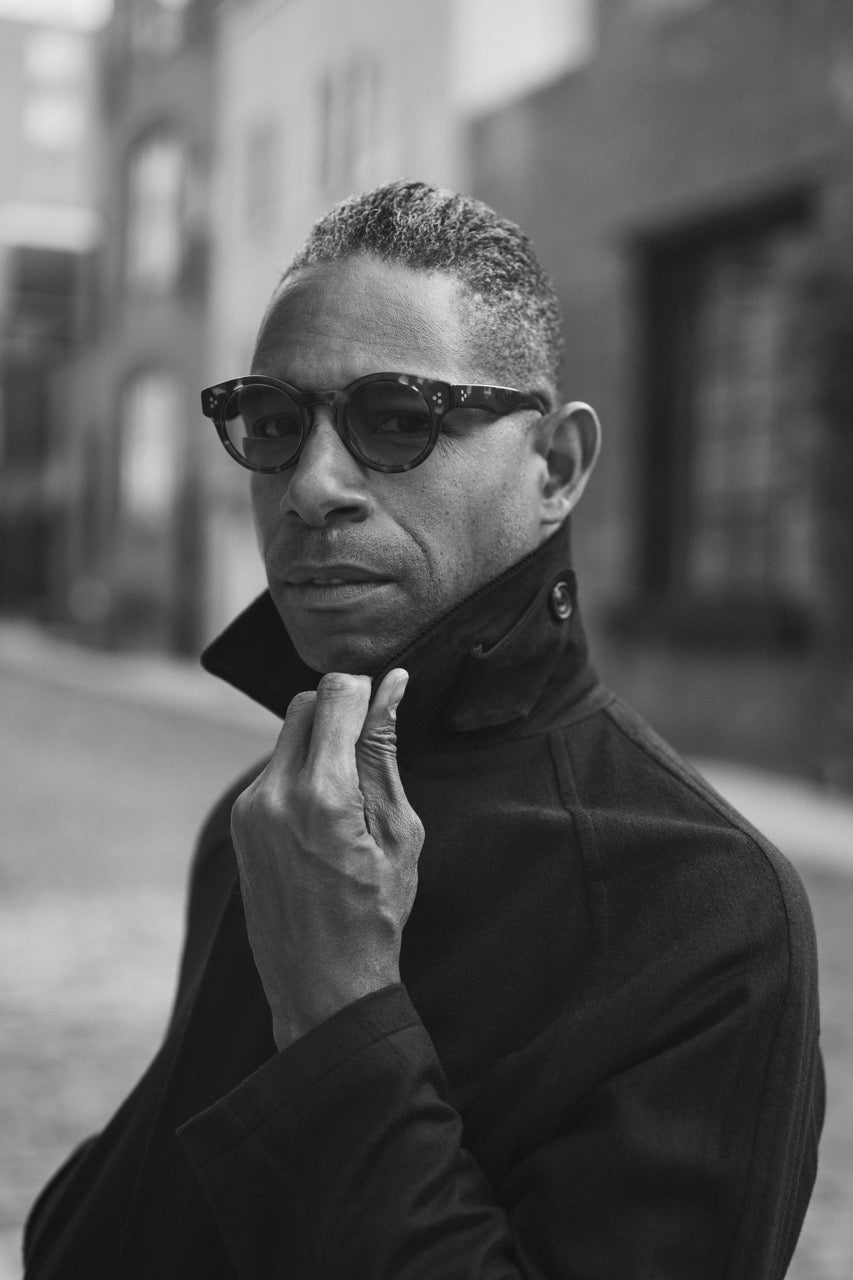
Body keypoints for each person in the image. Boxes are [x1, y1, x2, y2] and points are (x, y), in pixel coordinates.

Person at [24, 181, 823, 1279]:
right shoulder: (264, 821)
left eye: (398, 419)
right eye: (274, 423)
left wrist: (339, 1003)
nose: (311, 486)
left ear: (554, 467)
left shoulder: (705, 908)